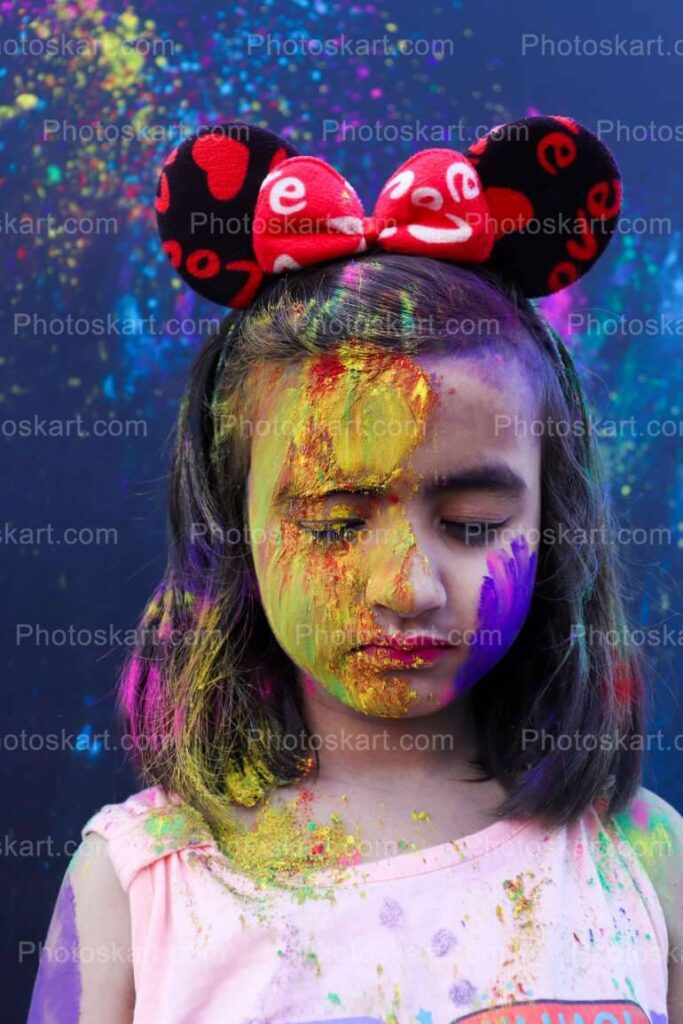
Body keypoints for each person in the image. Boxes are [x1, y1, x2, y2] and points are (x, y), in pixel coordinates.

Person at [28, 117, 682, 1024]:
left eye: (471, 524)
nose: (407, 588)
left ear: (554, 522)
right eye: (335, 524)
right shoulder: (142, 881)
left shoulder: (643, 860)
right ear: (234, 525)